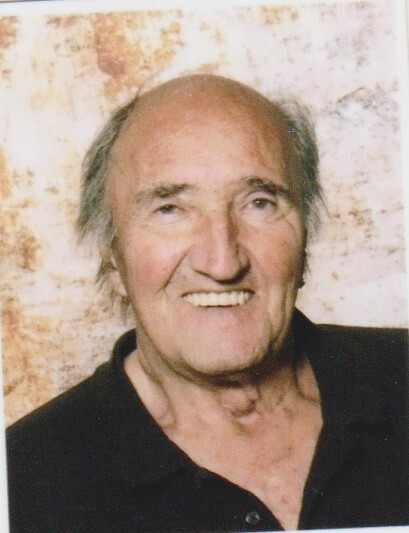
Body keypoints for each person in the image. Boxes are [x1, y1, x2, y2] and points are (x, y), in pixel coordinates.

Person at [6, 74, 408, 532]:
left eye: (259, 203)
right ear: (113, 260)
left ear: (304, 243)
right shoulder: (23, 484)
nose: (222, 262)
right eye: (170, 209)